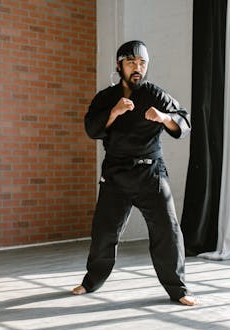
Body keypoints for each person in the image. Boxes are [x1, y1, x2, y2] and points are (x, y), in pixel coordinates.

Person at [72, 40, 197, 306]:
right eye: (131, 63)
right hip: (115, 173)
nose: (137, 68)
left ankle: (179, 290)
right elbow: (91, 129)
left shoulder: (155, 94)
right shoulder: (106, 98)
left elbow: (183, 121)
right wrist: (114, 112)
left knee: (167, 230)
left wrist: (163, 118)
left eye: (142, 63)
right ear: (119, 66)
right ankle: (90, 282)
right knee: (104, 231)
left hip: (150, 173)